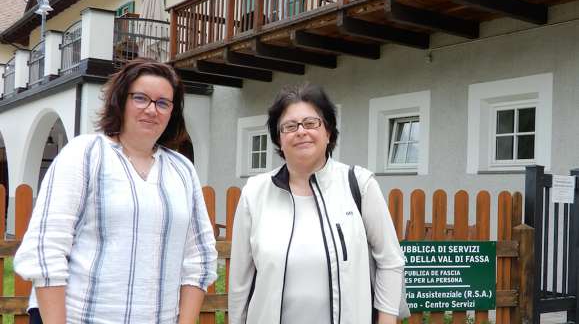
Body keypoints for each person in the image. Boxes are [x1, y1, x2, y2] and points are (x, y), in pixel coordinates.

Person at [14, 59, 217, 324]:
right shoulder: (84, 154)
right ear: (120, 100)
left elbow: (199, 258)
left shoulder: (182, 170)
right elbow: (46, 249)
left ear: (172, 113)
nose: (151, 110)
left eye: (163, 103)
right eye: (141, 98)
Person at [228, 83, 405, 324]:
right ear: (279, 139)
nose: (301, 131)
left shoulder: (359, 185)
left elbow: (390, 262)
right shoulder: (255, 193)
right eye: (290, 126)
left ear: (328, 132)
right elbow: (240, 282)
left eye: (311, 123)